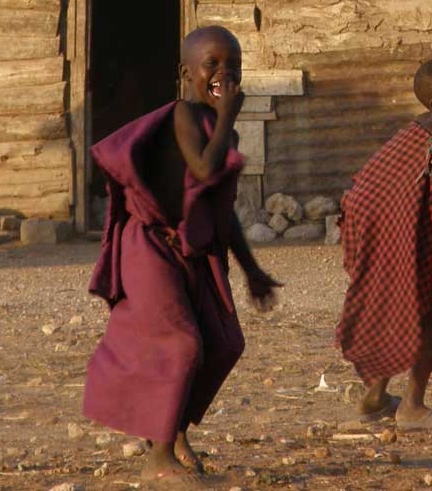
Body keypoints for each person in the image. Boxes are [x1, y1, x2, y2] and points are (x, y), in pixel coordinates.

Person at [82, 26, 282, 487]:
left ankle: (175, 433)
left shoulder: (221, 132)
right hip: (150, 246)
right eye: (212, 64)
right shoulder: (184, 116)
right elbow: (204, 168)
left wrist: (252, 270)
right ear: (185, 73)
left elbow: (219, 208)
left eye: (233, 66)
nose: (223, 73)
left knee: (224, 343)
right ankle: (157, 458)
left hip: (193, 251)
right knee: (180, 344)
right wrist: (230, 115)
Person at [335, 56, 432, 429]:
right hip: (401, 234)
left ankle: (375, 398)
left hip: (377, 227)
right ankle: (412, 405)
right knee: (426, 316)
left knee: (391, 306)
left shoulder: (421, 129)